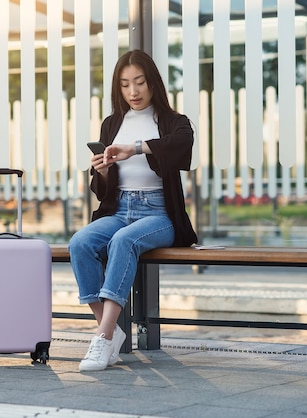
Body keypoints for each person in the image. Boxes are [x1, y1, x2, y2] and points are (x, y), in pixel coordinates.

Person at [68, 49, 198, 372]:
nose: (133, 92)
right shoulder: (112, 124)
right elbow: (102, 189)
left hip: (158, 215)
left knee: (123, 241)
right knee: (79, 243)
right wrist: (103, 170)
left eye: (139, 82)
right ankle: (109, 332)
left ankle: (102, 336)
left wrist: (136, 147)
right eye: (125, 85)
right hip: (120, 209)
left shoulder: (172, 122)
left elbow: (182, 146)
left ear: (152, 83)